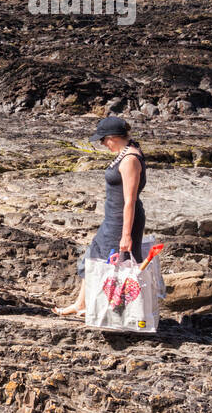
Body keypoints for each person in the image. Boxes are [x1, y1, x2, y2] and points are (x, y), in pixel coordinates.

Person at [56, 117, 147, 318]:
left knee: (112, 264)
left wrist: (126, 235)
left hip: (122, 221)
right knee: (93, 255)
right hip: (112, 218)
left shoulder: (130, 159)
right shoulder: (125, 153)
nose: (102, 144)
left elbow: (130, 200)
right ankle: (81, 303)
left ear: (113, 137)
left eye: (103, 139)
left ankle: (104, 310)